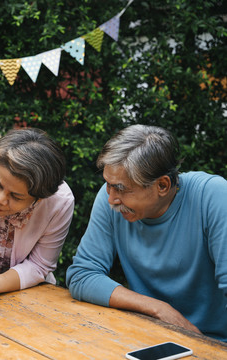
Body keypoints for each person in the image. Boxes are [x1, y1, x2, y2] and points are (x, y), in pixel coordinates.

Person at [66, 124, 227, 342]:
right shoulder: (110, 202)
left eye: (121, 188)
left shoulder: (213, 197)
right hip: (146, 336)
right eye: (108, 184)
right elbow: (82, 275)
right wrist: (158, 309)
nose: (111, 198)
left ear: (162, 185)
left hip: (214, 344)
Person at [0, 128, 75, 308]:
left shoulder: (59, 203)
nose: (0, 199)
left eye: (16, 196)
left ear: (39, 198)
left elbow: (39, 265)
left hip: (28, 296)